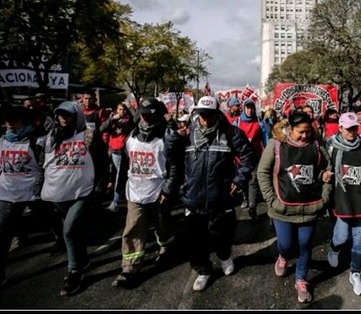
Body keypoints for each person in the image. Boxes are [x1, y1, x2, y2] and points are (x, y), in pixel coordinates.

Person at [166, 95, 254, 292]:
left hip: (220, 197)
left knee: (221, 234)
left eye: (210, 115)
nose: (205, 120)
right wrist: (173, 137)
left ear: (217, 114)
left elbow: (248, 158)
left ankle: (224, 256)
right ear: (196, 113)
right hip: (193, 198)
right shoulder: (186, 133)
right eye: (202, 115)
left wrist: (238, 180)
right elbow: (171, 158)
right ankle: (204, 270)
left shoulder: (230, 133)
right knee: (194, 241)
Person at [257, 110, 333, 303]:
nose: (305, 135)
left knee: (306, 246)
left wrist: (324, 196)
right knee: (286, 244)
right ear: (290, 129)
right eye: (300, 131)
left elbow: (327, 168)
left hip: (310, 208)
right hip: (282, 210)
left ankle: (301, 279)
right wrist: (271, 200)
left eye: (308, 131)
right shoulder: (276, 145)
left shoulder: (316, 145)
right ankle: (283, 256)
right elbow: (262, 172)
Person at [39, 101, 109, 296]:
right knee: (74, 231)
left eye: (68, 114)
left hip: (82, 192)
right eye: (60, 114)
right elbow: (44, 163)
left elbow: (103, 161)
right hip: (59, 193)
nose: (63, 118)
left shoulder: (88, 135)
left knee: (68, 231)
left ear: (77, 116)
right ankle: (83, 259)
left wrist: (100, 187)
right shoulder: (52, 136)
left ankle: (74, 271)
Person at [111, 97, 179, 288]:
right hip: (135, 193)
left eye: (150, 114)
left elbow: (175, 166)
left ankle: (166, 247)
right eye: (143, 114)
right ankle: (129, 268)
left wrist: (168, 190)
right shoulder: (131, 136)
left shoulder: (167, 135)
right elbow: (124, 165)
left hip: (158, 193)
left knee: (161, 224)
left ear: (157, 113)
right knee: (133, 228)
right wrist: (119, 189)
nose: (146, 118)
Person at [0, 106, 46, 290]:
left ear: (25, 121)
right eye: (7, 121)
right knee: (0, 232)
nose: (9, 124)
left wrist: (40, 191)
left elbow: (44, 167)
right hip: (7, 193)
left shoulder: (38, 141)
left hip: (32, 192)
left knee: (49, 219)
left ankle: (61, 239)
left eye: (14, 120)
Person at [325, 112, 361, 295]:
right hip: (342, 199)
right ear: (340, 128)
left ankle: (355, 273)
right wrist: (324, 175)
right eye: (348, 128)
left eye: (355, 128)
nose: (352, 131)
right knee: (342, 237)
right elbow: (323, 166)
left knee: (358, 240)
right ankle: (334, 249)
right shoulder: (330, 146)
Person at [100, 102, 136, 212]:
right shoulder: (112, 120)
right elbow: (102, 129)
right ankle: (123, 196)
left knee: (119, 176)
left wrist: (130, 107)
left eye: (124, 109)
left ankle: (115, 202)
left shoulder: (130, 121)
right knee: (118, 176)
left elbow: (135, 120)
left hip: (124, 152)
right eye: (119, 109)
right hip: (114, 151)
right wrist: (112, 120)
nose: (122, 112)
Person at [233, 98, 264, 220]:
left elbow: (265, 139)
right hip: (240, 158)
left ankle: (252, 207)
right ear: (244, 109)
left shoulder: (259, 123)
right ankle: (245, 198)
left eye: (252, 108)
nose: (250, 110)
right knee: (244, 180)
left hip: (255, 157)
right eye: (248, 107)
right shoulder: (237, 123)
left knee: (253, 181)